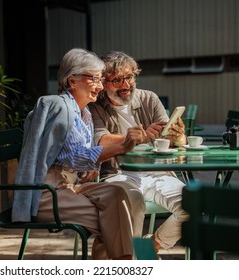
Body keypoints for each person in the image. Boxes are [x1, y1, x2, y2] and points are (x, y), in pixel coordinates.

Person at [11, 48, 146, 260]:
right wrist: (122, 146)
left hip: (70, 185)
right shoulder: (60, 107)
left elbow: (78, 159)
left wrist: (92, 167)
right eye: (94, 79)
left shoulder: (84, 113)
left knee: (118, 195)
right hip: (47, 193)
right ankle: (130, 264)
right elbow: (75, 156)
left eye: (101, 79)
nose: (101, 86)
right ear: (72, 81)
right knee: (115, 220)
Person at [89, 50, 188, 253]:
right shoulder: (96, 107)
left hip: (158, 172)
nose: (125, 85)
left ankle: (149, 248)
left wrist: (178, 136)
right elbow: (102, 141)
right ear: (104, 83)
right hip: (119, 174)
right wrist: (141, 136)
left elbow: (173, 140)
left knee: (193, 205)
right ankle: (131, 263)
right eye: (116, 80)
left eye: (129, 77)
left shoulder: (149, 99)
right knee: (132, 203)